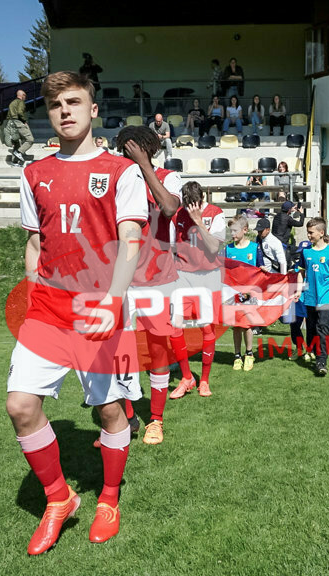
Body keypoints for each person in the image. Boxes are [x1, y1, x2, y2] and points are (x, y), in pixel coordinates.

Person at [5, 71, 147, 555]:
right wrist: (30, 293)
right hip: (47, 311)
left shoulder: (122, 172)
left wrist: (112, 300)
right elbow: (34, 242)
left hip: (100, 308)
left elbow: (131, 242)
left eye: (73, 102)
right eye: (56, 105)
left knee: (108, 411)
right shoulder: (34, 174)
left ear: (92, 110)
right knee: (21, 406)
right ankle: (59, 499)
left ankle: (108, 498)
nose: (64, 111)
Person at [117, 125, 184, 448]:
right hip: (121, 279)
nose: (125, 155)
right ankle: (127, 418)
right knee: (120, 352)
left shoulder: (168, 177)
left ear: (148, 150)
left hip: (158, 280)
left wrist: (144, 167)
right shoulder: (117, 178)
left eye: (131, 149)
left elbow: (170, 208)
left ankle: (155, 420)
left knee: (157, 350)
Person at [169, 181, 224, 400]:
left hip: (207, 278)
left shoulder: (215, 214)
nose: (190, 208)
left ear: (202, 198)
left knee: (206, 328)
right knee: (174, 328)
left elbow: (213, 247)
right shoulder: (177, 215)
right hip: (183, 276)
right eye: (187, 204)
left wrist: (199, 221)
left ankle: (204, 380)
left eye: (195, 203)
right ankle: (186, 377)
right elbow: (171, 247)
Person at [295, 217, 329, 375]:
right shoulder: (306, 252)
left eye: (311, 232)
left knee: (323, 327)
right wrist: (298, 290)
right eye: (307, 232)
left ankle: (321, 361)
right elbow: (301, 273)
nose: (308, 235)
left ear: (321, 233)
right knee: (311, 328)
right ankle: (313, 350)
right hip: (310, 296)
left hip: (326, 296)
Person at [225, 215, 262, 371]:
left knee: (247, 324)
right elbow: (225, 272)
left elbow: (261, 269)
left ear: (245, 230)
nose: (232, 234)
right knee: (236, 326)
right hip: (234, 293)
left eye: (235, 230)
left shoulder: (254, 248)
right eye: (231, 231)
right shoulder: (228, 249)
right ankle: (237, 356)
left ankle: (249, 353)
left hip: (250, 293)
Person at [5, 90, 34, 167]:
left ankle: (15, 162)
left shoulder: (12, 103)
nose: (25, 98)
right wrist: (24, 121)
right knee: (30, 139)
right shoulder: (20, 102)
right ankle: (19, 152)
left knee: (17, 142)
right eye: (25, 96)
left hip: (10, 123)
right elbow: (20, 112)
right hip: (18, 122)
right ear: (23, 95)